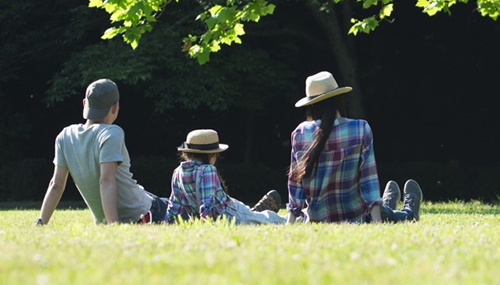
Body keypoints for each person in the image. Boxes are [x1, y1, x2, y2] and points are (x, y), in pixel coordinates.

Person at [286, 71, 423, 224]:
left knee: (382, 211)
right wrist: (378, 224)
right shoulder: (360, 128)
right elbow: (368, 180)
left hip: (316, 220)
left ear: (311, 105)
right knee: (388, 215)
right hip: (356, 217)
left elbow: (295, 184)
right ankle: (409, 212)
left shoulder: (300, 133)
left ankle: (387, 204)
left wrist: (290, 223)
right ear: (338, 99)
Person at [36, 79, 168, 225]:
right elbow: (106, 180)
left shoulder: (65, 136)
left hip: (145, 202)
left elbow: (56, 184)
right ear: (115, 107)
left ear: (85, 104)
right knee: (185, 209)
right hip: (145, 213)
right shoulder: (111, 133)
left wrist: (41, 222)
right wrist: (113, 225)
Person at [165, 129, 286, 225]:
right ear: (212, 155)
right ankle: (292, 218)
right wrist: (207, 223)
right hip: (230, 213)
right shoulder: (207, 170)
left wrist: (168, 222)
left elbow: (175, 203)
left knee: (257, 218)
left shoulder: (178, 172)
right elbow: (207, 203)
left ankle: (262, 215)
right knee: (267, 220)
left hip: (227, 211)